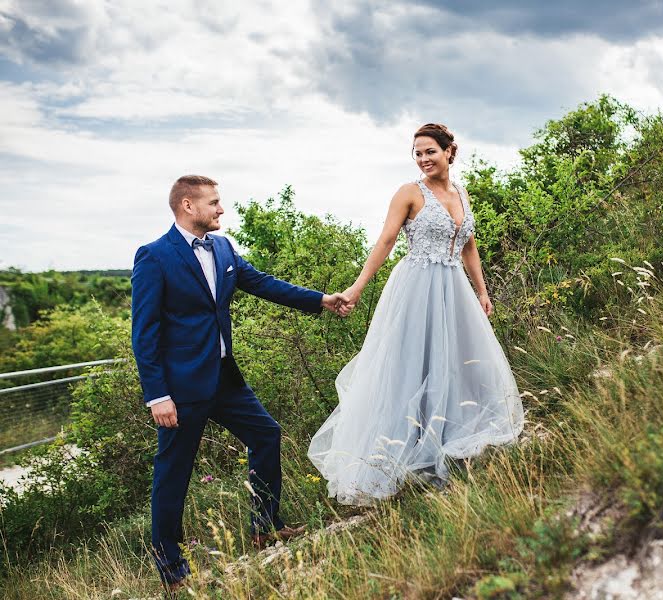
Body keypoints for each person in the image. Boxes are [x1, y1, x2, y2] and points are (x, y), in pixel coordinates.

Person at [131, 175, 349, 591]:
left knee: (266, 435)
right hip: (180, 389)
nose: (221, 209)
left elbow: (262, 283)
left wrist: (320, 299)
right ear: (187, 206)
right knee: (173, 474)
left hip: (225, 379)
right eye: (213, 203)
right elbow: (144, 332)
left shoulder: (224, 247)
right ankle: (172, 572)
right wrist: (157, 394)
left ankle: (265, 527)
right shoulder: (154, 257)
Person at [308, 124, 524, 505]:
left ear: (449, 151)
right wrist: (357, 288)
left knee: (458, 363)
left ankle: (447, 446)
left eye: (430, 152)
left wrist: (483, 291)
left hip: (454, 289)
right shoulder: (409, 193)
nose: (424, 159)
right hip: (416, 287)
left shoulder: (461, 192)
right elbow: (387, 240)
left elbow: (469, 245)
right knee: (410, 366)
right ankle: (394, 460)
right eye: (418, 153)